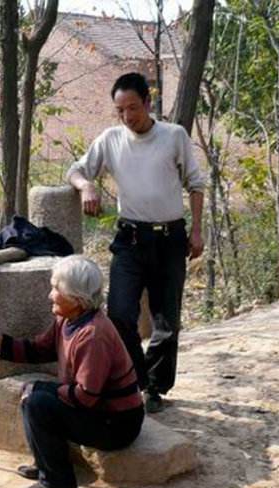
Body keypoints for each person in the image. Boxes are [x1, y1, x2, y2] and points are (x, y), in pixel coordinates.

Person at [66, 72, 205, 413]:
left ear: (148, 103)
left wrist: (197, 231)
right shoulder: (111, 139)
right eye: (120, 110)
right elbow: (75, 170)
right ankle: (136, 380)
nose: (127, 116)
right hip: (129, 239)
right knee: (120, 314)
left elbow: (196, 184)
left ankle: (154, 388)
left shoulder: (174, 136)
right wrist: (86, 186)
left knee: (166, 320)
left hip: (170, 238)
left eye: (133, 108)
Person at [0, 255, 143, 488]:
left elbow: (86, 397)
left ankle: (57, 479)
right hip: (99, 410)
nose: (50, 295)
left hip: (116, 424)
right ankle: (45, 464)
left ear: (77, 298)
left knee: (37, 402)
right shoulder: (68, 318)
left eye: (56, 289)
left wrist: (46, 391)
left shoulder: (93, 335)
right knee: (32, 393)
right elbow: (40, 349)